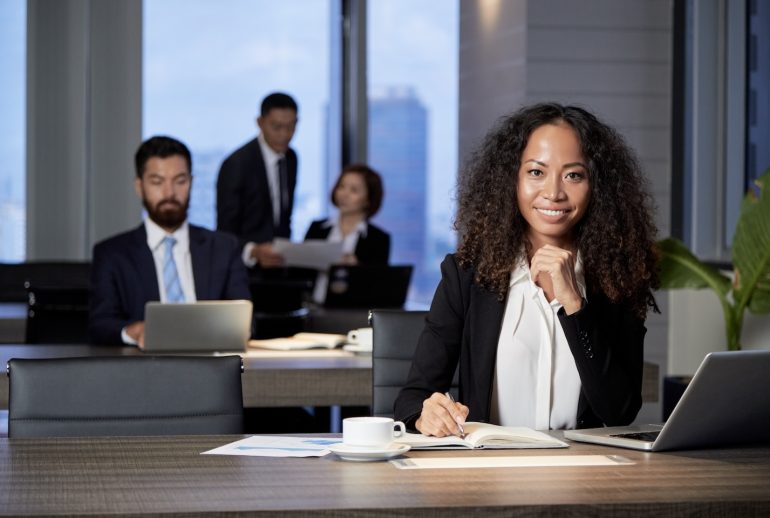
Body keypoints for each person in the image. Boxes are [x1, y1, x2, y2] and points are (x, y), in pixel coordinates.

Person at [394, 103, 660, 437]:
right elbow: (412, 398)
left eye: (573, 175)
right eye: (536, 172)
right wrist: (425, 414)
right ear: (512, 180)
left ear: (597, 187)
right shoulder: (466, 275)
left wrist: (575, 305)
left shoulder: (618, 278)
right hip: (488, 475)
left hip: (584, 476)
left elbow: (619, 410)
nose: (553, 193)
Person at [89, 136, 250, 347]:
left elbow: (247, 321)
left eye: (180, 181)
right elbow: (100, 324)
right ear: (139, 186)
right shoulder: (112, 254)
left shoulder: (224, 248)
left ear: (191, 182)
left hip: (213, 366)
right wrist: (134, 331)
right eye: (157, 182)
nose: (169, 193)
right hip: (143, 370)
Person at [216, 92, 299, 269]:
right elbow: (224, 231)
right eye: (277, 127)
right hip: (244, 269)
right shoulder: (236, 164)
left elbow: (284, 217)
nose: (284, 134)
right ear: (260, 123)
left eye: (291, 127)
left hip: (279, 265)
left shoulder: (291, 159)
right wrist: (253, 250)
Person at [304, 163, 390, 303]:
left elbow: (379, 286)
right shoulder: (317, 228)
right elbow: (300, 271)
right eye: (341, 187)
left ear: (368, 199)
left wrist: (357, 269)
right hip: (312, 308)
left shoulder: (378, 239)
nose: (344, 194)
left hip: (354, 312)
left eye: (354, 190)